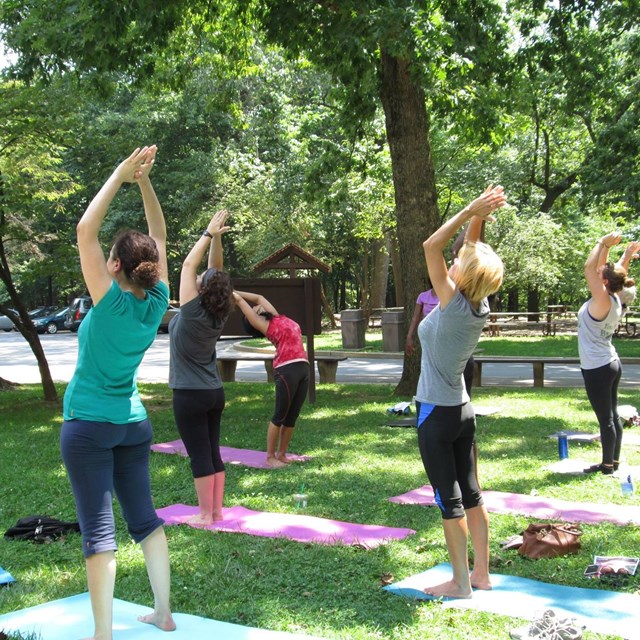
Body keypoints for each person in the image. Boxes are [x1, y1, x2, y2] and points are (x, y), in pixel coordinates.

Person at [60, 146, 175, 639]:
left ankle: (103, 635)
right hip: (131, 424)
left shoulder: (107, 305)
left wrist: (120, 175)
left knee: (99, 532)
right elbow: (161, 237)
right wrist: (145, 183)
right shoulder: (156, 305)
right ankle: (164, 612)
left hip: (88, 426)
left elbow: (86, 230)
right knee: (144, 518)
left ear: (114, 266)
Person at [416, 185, 506, 599]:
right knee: (471, 492)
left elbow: (431, 245)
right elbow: (470, 247)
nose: (453, 259)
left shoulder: (451, 304)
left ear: (461, 274)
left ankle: (460, 583)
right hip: (463, 412)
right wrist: (479, 214)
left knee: (447, 499)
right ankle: (482, 574)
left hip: (436, 415)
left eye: (457, 262)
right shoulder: (478, 303)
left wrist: (470, 209)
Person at [168, 209, 234, 525]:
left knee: (199, 455)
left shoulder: (193, 311)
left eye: (200, 281)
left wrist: (208, 234)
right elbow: (215, 271)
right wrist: (217, 239)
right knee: (212, 451)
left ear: (203, 290)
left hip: (190, 395)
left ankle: (206, 515)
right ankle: (217, 511)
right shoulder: (218, 311)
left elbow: (189, 266)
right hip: (213, 392)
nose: (195, 279)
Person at [578, 234, 638, 475]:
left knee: (606, 419)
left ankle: (607, 466)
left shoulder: (602, 298)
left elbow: (589, 267)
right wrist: (624, 255)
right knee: (612, 415)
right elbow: (609, 270)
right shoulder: (614, 296)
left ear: (603, 280)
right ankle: (613, 461)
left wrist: (602, 243)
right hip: (610, 362)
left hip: (598, 367)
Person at [232, 290, 309, 468]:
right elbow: (238, 300)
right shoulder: (262, 324)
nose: (256, 306)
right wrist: (227, 288)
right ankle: (270, 456)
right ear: (253, 318)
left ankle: (282, 454)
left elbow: (259, 297)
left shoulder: (276, 317)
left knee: (292, 416)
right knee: (280, 415)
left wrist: (235, 288)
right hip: (286, 369)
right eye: (253, 309)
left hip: (302, 366)